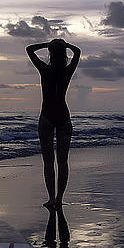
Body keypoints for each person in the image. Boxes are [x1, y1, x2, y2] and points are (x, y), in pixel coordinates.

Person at [26, 38, 81, 209]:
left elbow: (29, 49)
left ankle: (51, 198)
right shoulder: (68, 71)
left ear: (50, 52)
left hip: (47, 115)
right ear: (65, 54)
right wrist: (65, 46)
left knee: (49, 161)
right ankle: (59, 198)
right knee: (63, 161)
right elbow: (77, 51)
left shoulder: (44, 69)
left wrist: (47, 45)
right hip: (63, 115)